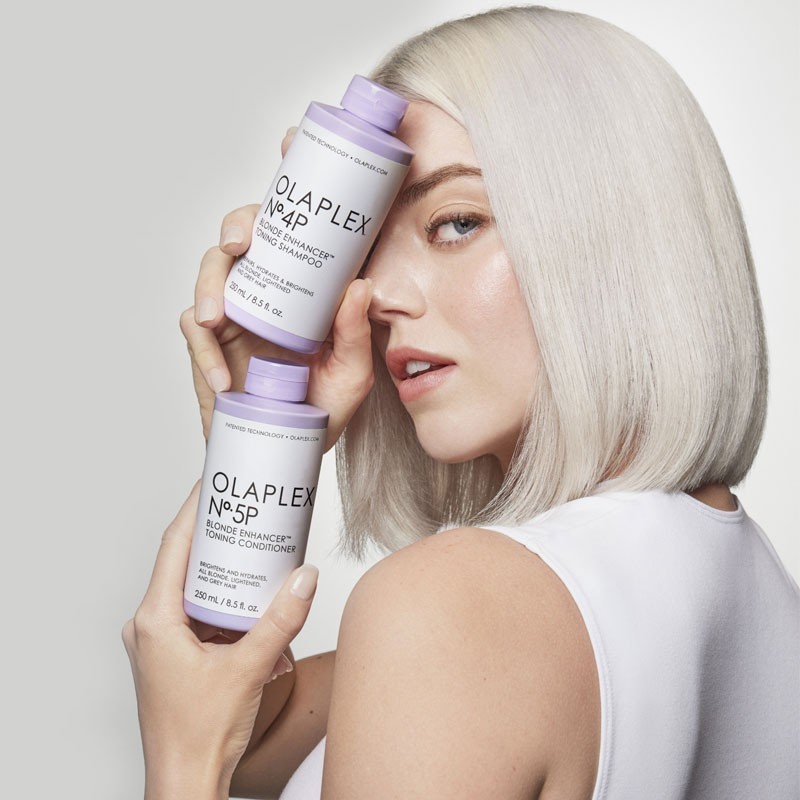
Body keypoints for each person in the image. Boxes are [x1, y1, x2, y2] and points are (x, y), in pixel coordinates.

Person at [123, 6, 799, 798]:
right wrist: (266, 427)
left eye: (453, 224)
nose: (379, 295)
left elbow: (209, 748)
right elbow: (245, 727)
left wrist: (182, 768)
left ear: (611, 231)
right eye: (364, 249)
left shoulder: (453, 611)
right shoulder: (746, 583)